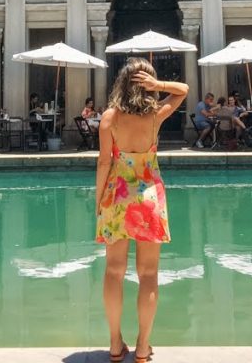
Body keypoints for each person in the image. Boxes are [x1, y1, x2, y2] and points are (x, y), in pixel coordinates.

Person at [95, 57, 188, 363]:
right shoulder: (155, 117)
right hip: (149, 199)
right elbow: (183, 90)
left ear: (121, 84)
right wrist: (158, 85)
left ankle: (113, 343)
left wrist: (99, 201)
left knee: (113, 271)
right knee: (148, 274)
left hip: (116, 197)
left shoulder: (110, 117)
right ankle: (144, 346)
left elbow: (104, 162)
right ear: (146, 88)